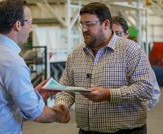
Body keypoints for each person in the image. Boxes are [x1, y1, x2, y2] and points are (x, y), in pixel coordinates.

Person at [54, 2, 155, 134]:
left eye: (89, 24)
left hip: (126, 131)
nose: (84, 29)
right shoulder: (76, 54)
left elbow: (146, 88)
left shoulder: (130, 50)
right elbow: (65, 88)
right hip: (86, 131)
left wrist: (108, 94)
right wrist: (62, 105)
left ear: (106, 24)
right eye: (82, 24)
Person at [0, 0, 69, 134]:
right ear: (18, 25)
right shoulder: (13, 62)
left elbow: (0, 100)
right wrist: (59, 115)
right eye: (30, 22)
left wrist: (34, 94)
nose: (31, 27)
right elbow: (36, 112)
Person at [112, 16, 161, 110]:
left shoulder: (136, 54)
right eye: (111, 34)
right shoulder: (102, 54)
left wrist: (139, 109)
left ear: (126, 34)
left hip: (130, 114)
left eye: (118, 34)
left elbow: (153, 91)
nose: (114, 38)